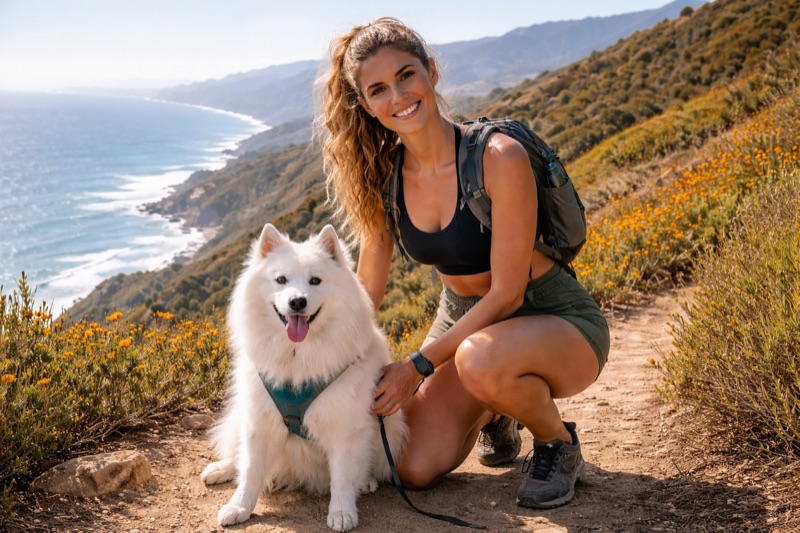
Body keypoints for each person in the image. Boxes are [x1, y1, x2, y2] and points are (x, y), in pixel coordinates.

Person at [315, 17, 610, 509]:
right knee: (412, 466)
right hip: (463, 320)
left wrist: (419, 365)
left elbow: (507, 294)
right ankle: (497, 411)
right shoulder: (382, 178)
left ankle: (558, 443)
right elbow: (367, 288)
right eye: (379, 89)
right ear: (364, 104)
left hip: (550, 316)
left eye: (407, 75)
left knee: (479, 359)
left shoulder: (499, 157)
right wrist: (322, 355)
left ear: (432, 71)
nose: (399, 96)